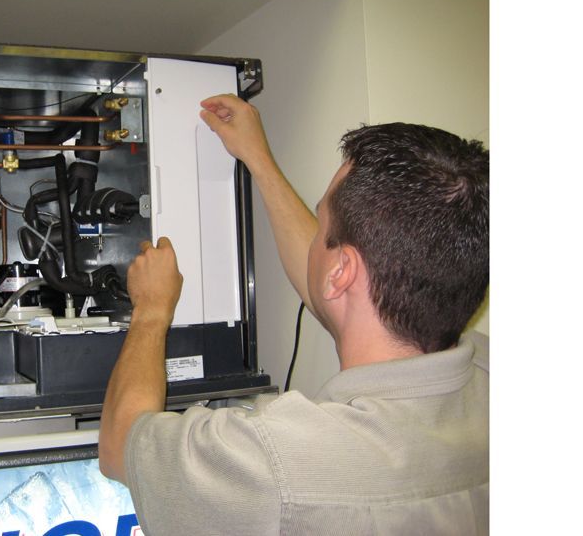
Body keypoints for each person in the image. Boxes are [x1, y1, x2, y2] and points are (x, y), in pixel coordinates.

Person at [98, 93, 489, 535]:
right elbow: (337, 285)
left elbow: (120, 445)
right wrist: (259, 161)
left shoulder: (276, 462)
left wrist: (151, 310)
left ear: (341, 270)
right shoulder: (487, 374)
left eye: (321, 224)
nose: (315, 236)